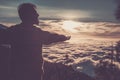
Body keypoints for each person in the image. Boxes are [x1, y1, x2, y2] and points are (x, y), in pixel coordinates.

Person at [5, 3, 70, 80]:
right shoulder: (37, 33)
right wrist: (65, 37)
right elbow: (53, 37)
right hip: (33, 76)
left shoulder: (13, 31)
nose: (38, 15)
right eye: (35, 13)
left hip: (16, 75)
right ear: (29, 15)